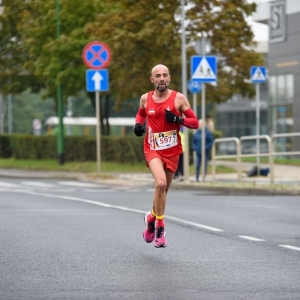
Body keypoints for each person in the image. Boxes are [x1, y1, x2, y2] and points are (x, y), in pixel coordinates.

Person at [133, 64, 198, 248]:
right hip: (152, 148)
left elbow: (195, 122)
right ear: (152, 79)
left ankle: (151, 217)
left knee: (163, 191)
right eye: (157, 76)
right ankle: (160, 228)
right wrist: (138, 126)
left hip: (172, 151)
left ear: (169, 78)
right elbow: (140, 114)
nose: (161, 79)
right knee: (160, 183)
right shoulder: (146, 98)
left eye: (164, 75)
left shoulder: (178, 99)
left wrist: (178, 119)